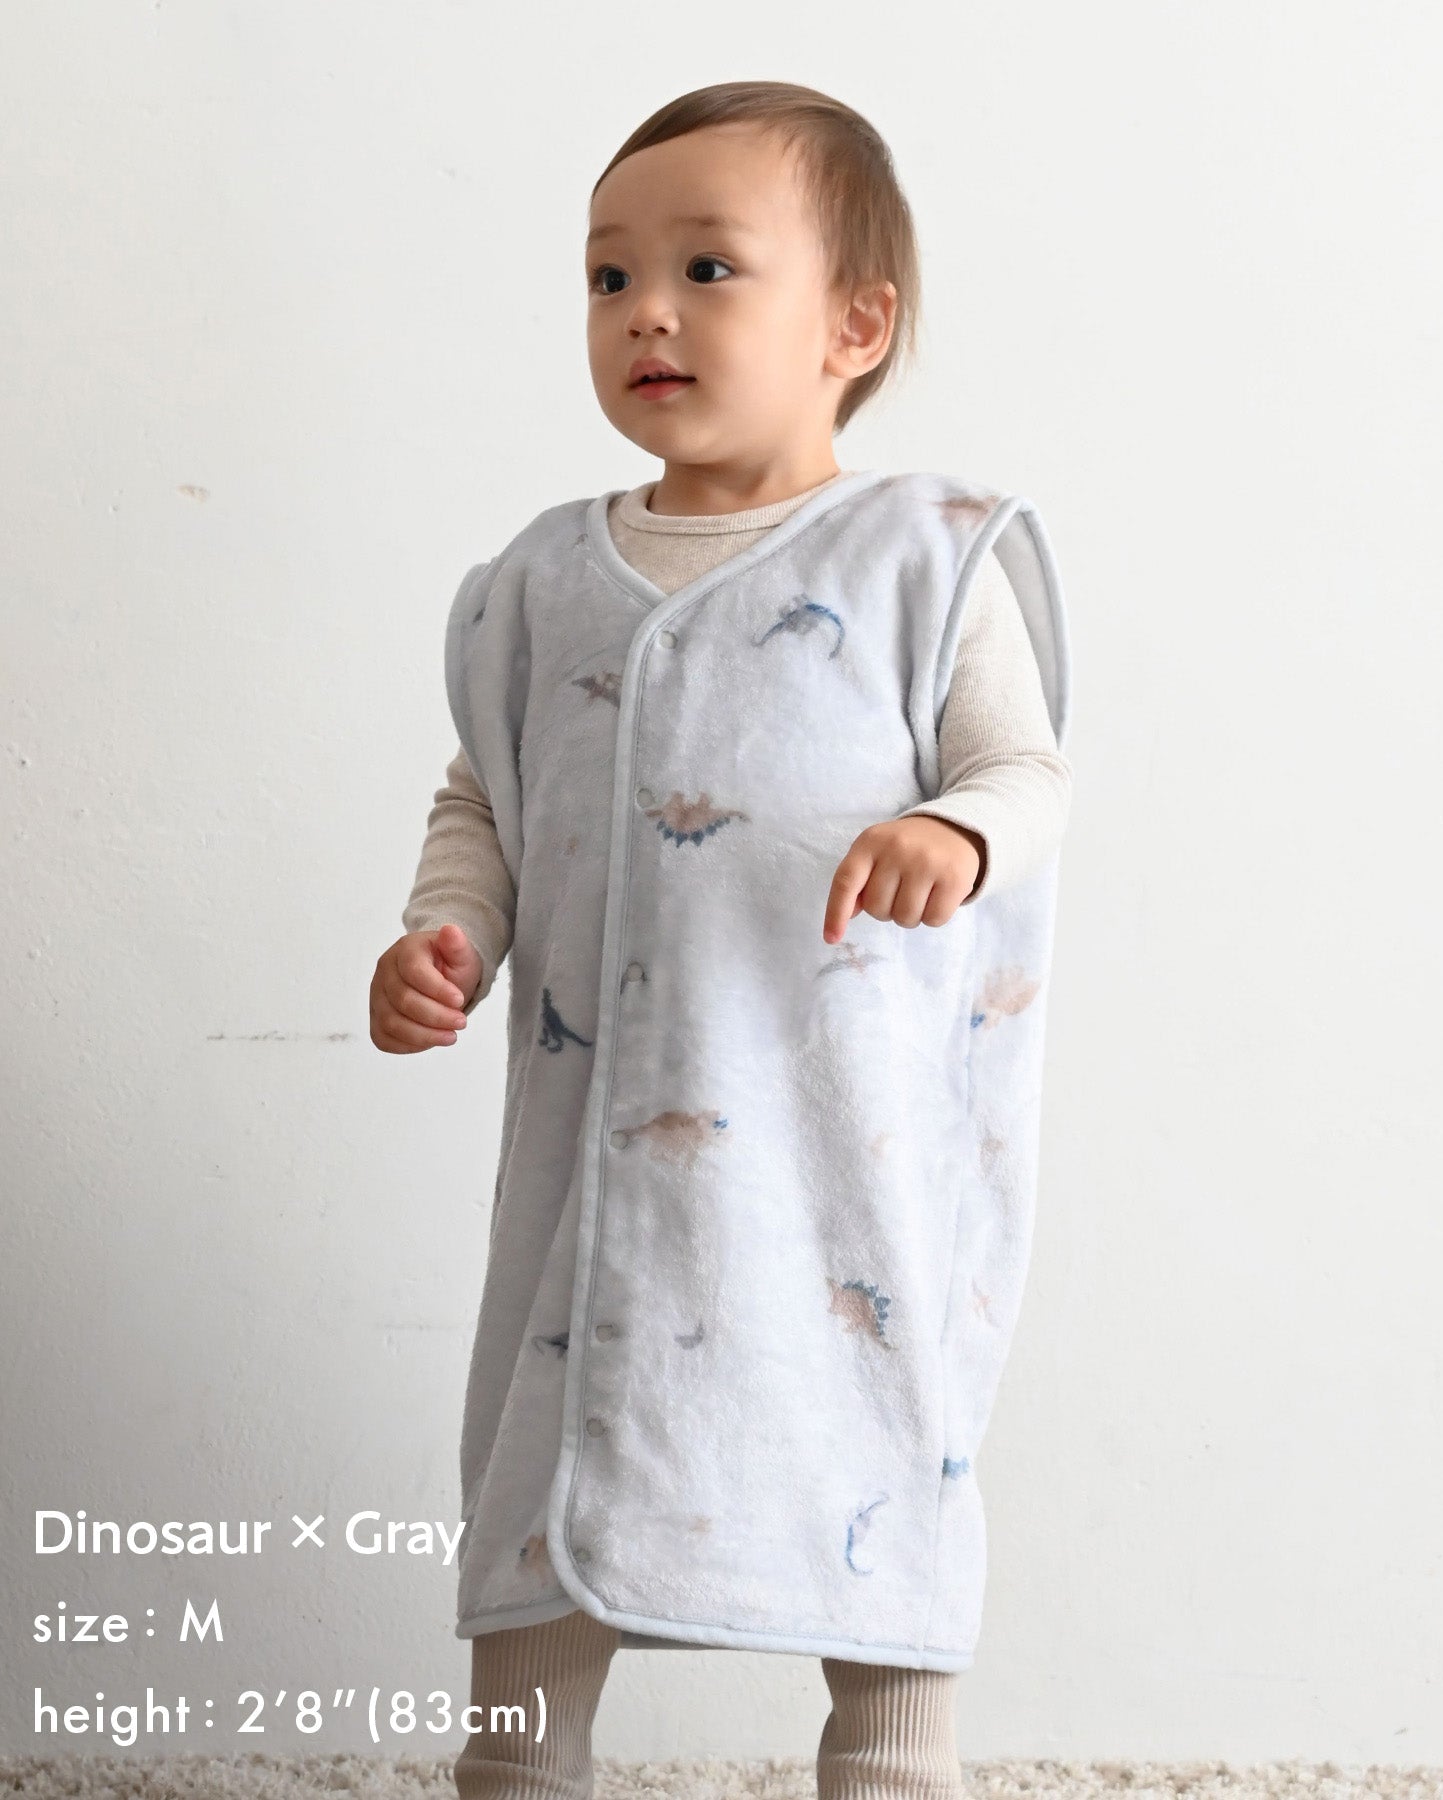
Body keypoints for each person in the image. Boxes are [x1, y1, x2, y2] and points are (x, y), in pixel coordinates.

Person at [370, 80, 1074, 1800]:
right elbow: (488, 792)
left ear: (853, 326)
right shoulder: (545, 581)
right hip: (593, 1161)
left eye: (706, 268)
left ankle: (891, 1757)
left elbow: (1024, 771)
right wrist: (448, 926)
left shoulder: (925, 561)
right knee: (553, 1453)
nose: (647, 313)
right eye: (608, 278)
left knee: (872, 1450)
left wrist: (953, 833)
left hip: (837, 1160)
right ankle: (522, 1759)